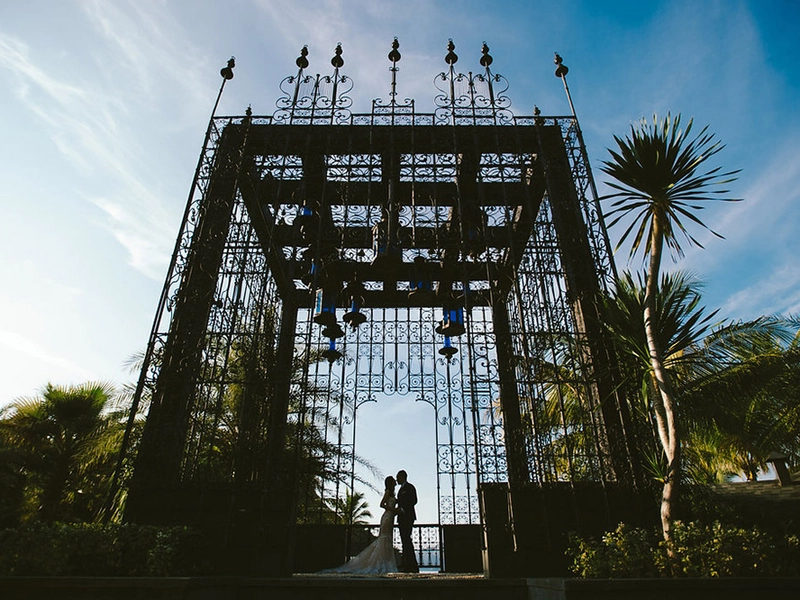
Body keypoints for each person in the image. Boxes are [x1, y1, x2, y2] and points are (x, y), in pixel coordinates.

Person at [322, 476, 399, 574]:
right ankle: (381, 562)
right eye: (393, 480)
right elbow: (381, 504)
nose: (395, 481)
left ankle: (386, 561)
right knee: (384, 538)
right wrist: (393, 510)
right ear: (390, 483)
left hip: (391, 518)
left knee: (387, 538)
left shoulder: (392, 493)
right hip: (387, 517)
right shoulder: (387, 492)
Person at [395, 469, 419, 573]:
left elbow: (414, 500)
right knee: (405, 540)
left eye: (398, 477)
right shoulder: (401, 489)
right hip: (401, 518)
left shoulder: (410, 487)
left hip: (408, 517)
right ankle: (408, 564)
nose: (396, 480)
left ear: (402, 477)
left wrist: (403, 509)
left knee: (406, 540)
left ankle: (411, 565)